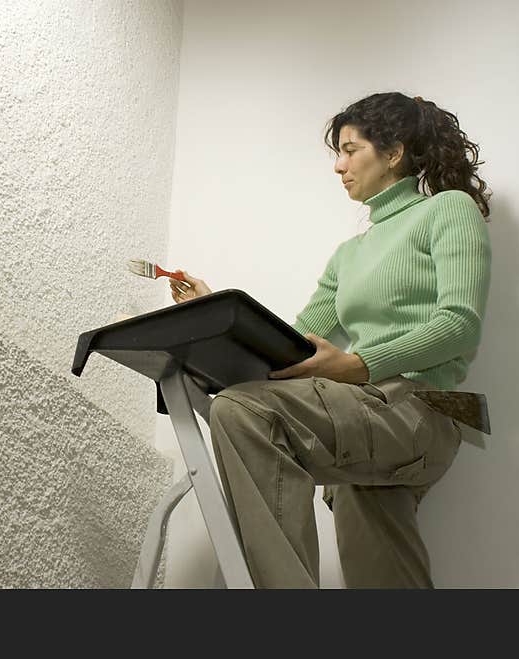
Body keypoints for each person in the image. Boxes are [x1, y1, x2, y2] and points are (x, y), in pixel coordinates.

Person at [168, 91, 492, 588]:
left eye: (349, 149)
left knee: (243, 410)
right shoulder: (349, 254)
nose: (338, 166)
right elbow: (295, 343)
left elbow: (459, 325)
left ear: (394, 152)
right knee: (386, 580)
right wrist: (211, 311)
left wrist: (358, 364)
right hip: (366, 413)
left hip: (423, 408)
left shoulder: (449, 211)